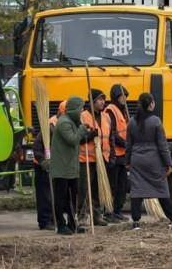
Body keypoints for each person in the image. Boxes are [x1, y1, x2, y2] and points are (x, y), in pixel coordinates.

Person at [126, 93, 172, 230]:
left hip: (137, 160)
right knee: (161, 190)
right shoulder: (156, 121)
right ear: (151, 104)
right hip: (153, 161)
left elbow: (129, 145)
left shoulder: (132, 121)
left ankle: (136, 222)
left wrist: (128, 161)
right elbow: (162, 145)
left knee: (137, 191)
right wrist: (168, 163)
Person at [50, 96, 85, 235]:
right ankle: (61, 225)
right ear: (74, 109)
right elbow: (72, 140)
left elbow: (77, 139)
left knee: (72, 197)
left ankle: (72, 224)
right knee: (61, 198)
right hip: (61, 168)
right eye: (80, 109)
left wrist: (86, 133)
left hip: (70, 167)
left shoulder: (72, 122)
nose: (82, 112)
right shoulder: (64, 122)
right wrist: (81, 131)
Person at [102, 84, 130, 221]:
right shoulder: (110, 110)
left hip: (122, 155)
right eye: (122, 96)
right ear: (116, 97)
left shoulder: (123, 111)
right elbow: (112, 132)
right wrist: (125, 144)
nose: (124, 99)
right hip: (114, 154)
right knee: (112, 185)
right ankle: (109, 212)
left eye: (125, 96)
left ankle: (118, 210)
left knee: (122, 185)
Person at [79, 88, 107, 226]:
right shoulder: (83, 116)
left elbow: (109, 136)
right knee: (84, 189)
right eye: (100, 99)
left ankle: (97, 215)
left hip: (100, 159)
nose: (103, 102)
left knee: (97, 190)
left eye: (103, 99)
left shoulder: (105, 116)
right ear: (92, 101)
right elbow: (78, 137)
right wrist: (90, 135)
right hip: (85, 159)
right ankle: (82, 216)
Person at [31, 120, 54, 231]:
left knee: (52, 194)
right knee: (45, 195)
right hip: (42, 166)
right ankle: (45, 222)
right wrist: (43, 161)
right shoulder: (51, 126)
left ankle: (52, 220)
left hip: (53, 165)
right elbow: (36, 146)